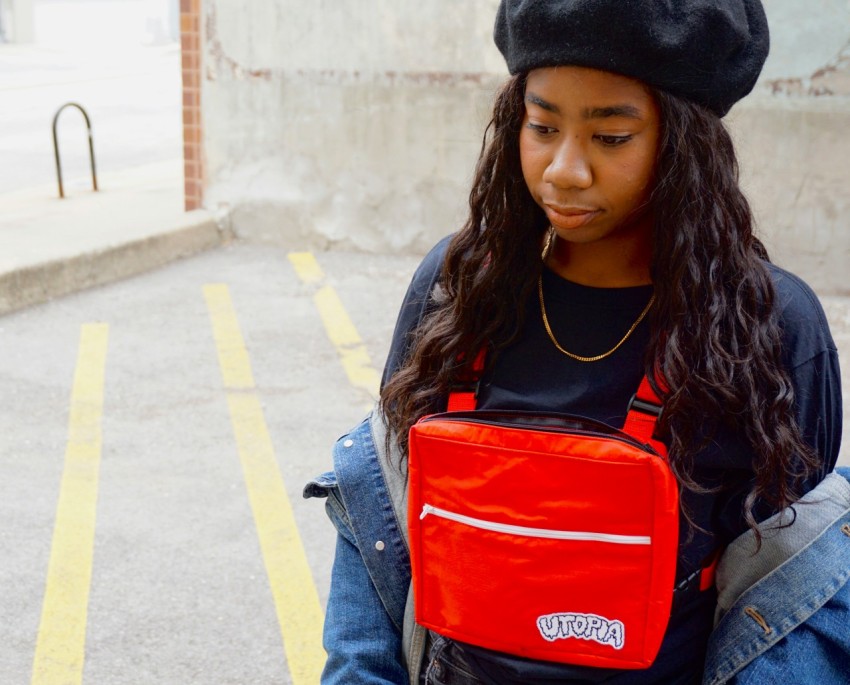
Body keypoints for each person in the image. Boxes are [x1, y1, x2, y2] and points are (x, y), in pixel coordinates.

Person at [305, 1, 845, 683]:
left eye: (610, 136)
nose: (564, 169)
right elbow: (379, 506)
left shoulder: (765, 325)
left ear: (683, 144)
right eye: (542, 125)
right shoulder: (460, 291)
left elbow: (797, 593)